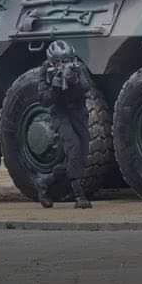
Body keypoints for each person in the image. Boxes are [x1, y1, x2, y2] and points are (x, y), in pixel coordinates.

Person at [34, 40, 93, 209]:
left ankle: (45, 182)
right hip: (60, 114)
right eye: (61, 61)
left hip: (78, 113)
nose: (65, 64)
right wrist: (55, 87)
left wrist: (73, 81)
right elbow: (44, 100)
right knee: (73, 146)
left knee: (80, 154)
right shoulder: (46, 71)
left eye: (68, 60)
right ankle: (78, 194)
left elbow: (87, 87)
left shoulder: (77, 67)